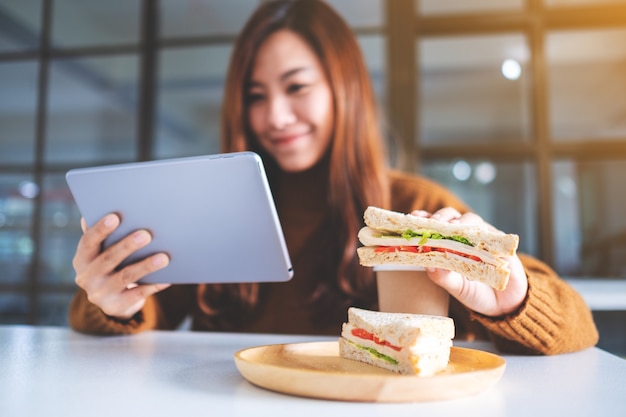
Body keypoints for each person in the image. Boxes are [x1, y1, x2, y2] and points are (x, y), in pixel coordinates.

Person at [68, 0, 598, 355]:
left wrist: (511, 299)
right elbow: (131, 319)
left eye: (296, 87)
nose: (274, 115)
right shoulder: (212, 207)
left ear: (344, 91)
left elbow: (579, 326)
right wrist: (111, 305)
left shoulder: (414, 205)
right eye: (255, 96)